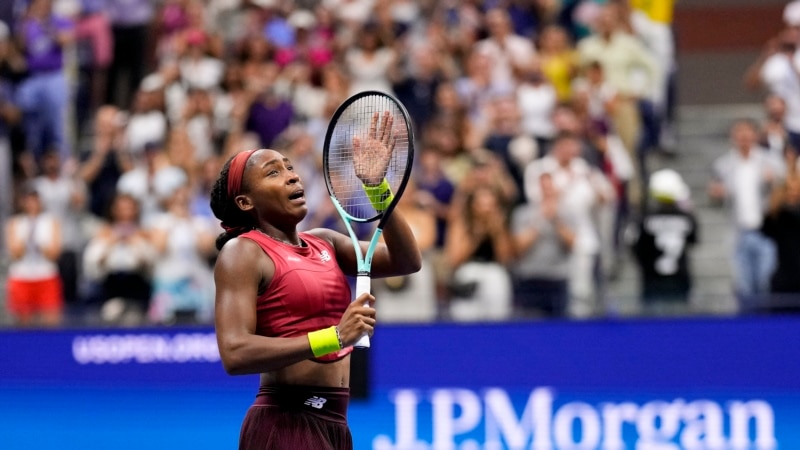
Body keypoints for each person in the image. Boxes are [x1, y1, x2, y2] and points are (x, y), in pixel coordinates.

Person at [211, 116, 420, 448]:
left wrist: (377, 188)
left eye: (290, 167)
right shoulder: (243, 253)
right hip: (285, 424)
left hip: (336, 425)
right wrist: (335, 337)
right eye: (273, 172)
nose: (292, 175)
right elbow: (235, 353)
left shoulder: (326, 243)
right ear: (245, 202)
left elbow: (406, 260)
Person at [630, 168, 698, 316]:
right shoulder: (685, 217)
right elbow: (694, 239)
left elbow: (636, 247)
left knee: (652, 328)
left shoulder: (645, 218)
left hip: (652, 279)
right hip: (680, 277)